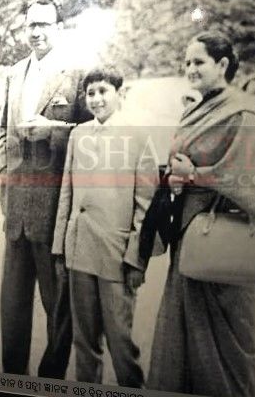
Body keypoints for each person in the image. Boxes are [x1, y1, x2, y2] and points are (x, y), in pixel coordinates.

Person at [145, 30, 255, 397]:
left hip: (224, 241)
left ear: (222, 64)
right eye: (186, 62)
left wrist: (196, 175)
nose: (190, 69)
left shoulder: (242, 112)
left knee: (228, 348)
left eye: (198, 61)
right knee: (180, 340)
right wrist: (176, 182)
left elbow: (252, 185)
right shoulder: (201, 105)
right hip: (191, 237)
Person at [0, 0, 91, 378]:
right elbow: (4, 131)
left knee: (59, 312)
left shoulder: (78, 74)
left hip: (55, 216)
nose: (36, 31)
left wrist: (53, 131)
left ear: (58, 27)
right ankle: (11, 382)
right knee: (12, 310)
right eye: (31, 25)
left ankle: (49, 382)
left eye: (44, 24)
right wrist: (5, 159)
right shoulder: (14, 73)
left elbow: (93, 137)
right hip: (15, 214)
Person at [52, 68, 158, 387]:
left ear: (119, 94)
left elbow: (146, 204)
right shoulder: (79, 134)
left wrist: (136, 259)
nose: (96, 99)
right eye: (91, 93)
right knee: (84, 343)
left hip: (116, 256)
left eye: (103, 91)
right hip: (78, 249)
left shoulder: (139, 136)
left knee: (121, 343)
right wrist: (60, 248)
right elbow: (66, 194)